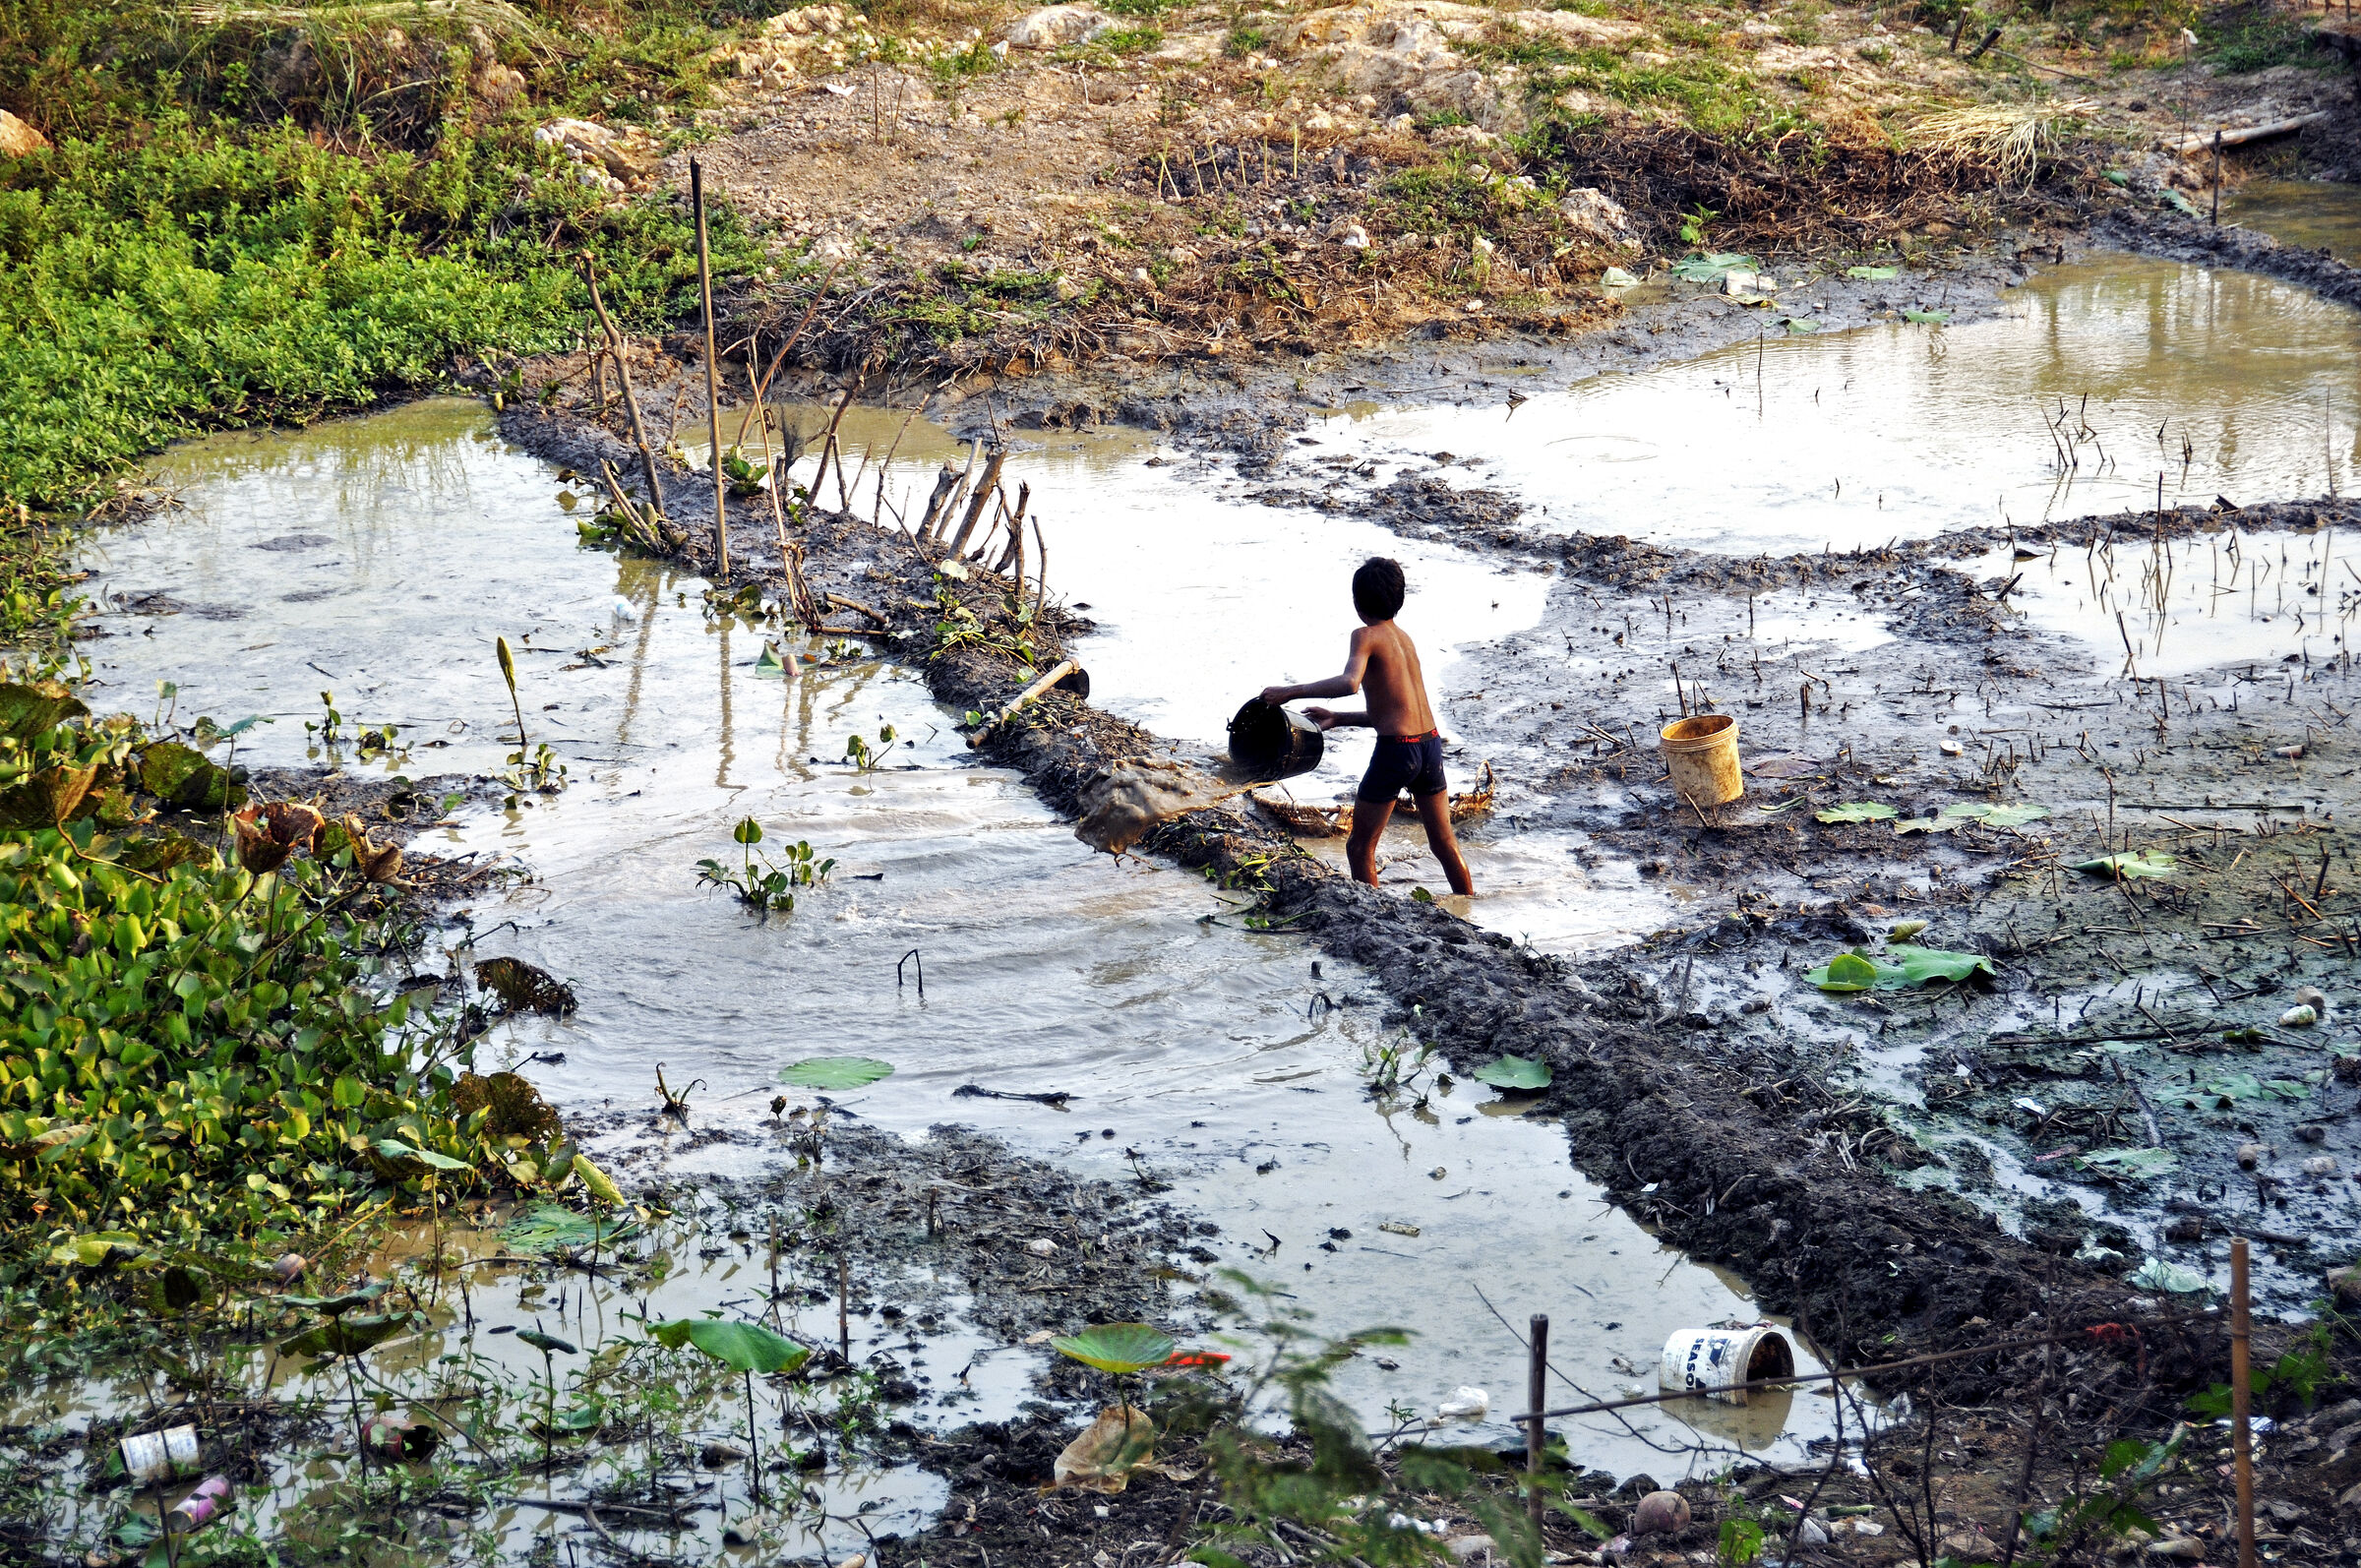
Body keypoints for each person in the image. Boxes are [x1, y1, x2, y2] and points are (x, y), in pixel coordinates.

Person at [1260, 557, 1475, 895]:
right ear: (1399, 599)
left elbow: (1350, 683)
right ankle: (1470, 906)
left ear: (1358, 604)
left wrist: (1290, 691)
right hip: (1429, 744)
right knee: (1444, 843)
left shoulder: (1365, 635)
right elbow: (1398, 713)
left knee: (1359, 847)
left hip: (1397, 753)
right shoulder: (1404, 639)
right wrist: (1339, 719)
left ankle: (1374, 915)